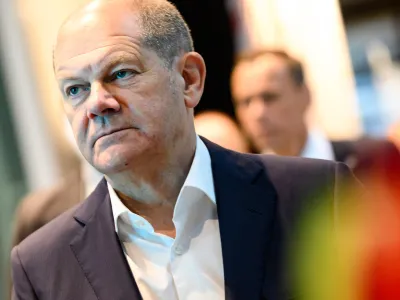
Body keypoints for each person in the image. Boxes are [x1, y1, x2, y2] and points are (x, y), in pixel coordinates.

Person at [11, 1, 360, 299]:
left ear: (189, 79)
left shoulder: (318, 196)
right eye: (75, 90)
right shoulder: (41, 267)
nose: (96, 104)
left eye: (120, 73)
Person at [230, 49, 400, 181]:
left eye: (269, 97)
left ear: (305, 95)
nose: (257, 114)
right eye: (245, 102)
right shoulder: (242, 186)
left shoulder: (375, 159)